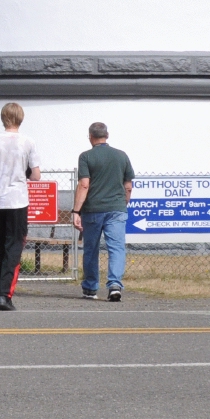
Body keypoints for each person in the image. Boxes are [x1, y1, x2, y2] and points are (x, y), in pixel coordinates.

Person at [0, 102, 42, 311]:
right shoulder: (27, 142)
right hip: (17, 198)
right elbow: (36, 175)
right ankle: (5, 293)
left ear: (3, 118)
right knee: (14, 244)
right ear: (20, 118)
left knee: (0, 243)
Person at [70, 121, 134, 302]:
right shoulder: (122, 156)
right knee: (116, 248)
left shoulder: (86, 157)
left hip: (93, 210)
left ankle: (90, 288)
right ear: (107, 135)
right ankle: (115, 284)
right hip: (116, 209)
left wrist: (76, 211)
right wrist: (123, 203)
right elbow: (128, 186)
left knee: (91, 249)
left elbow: (84, 184)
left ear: (90, 137)